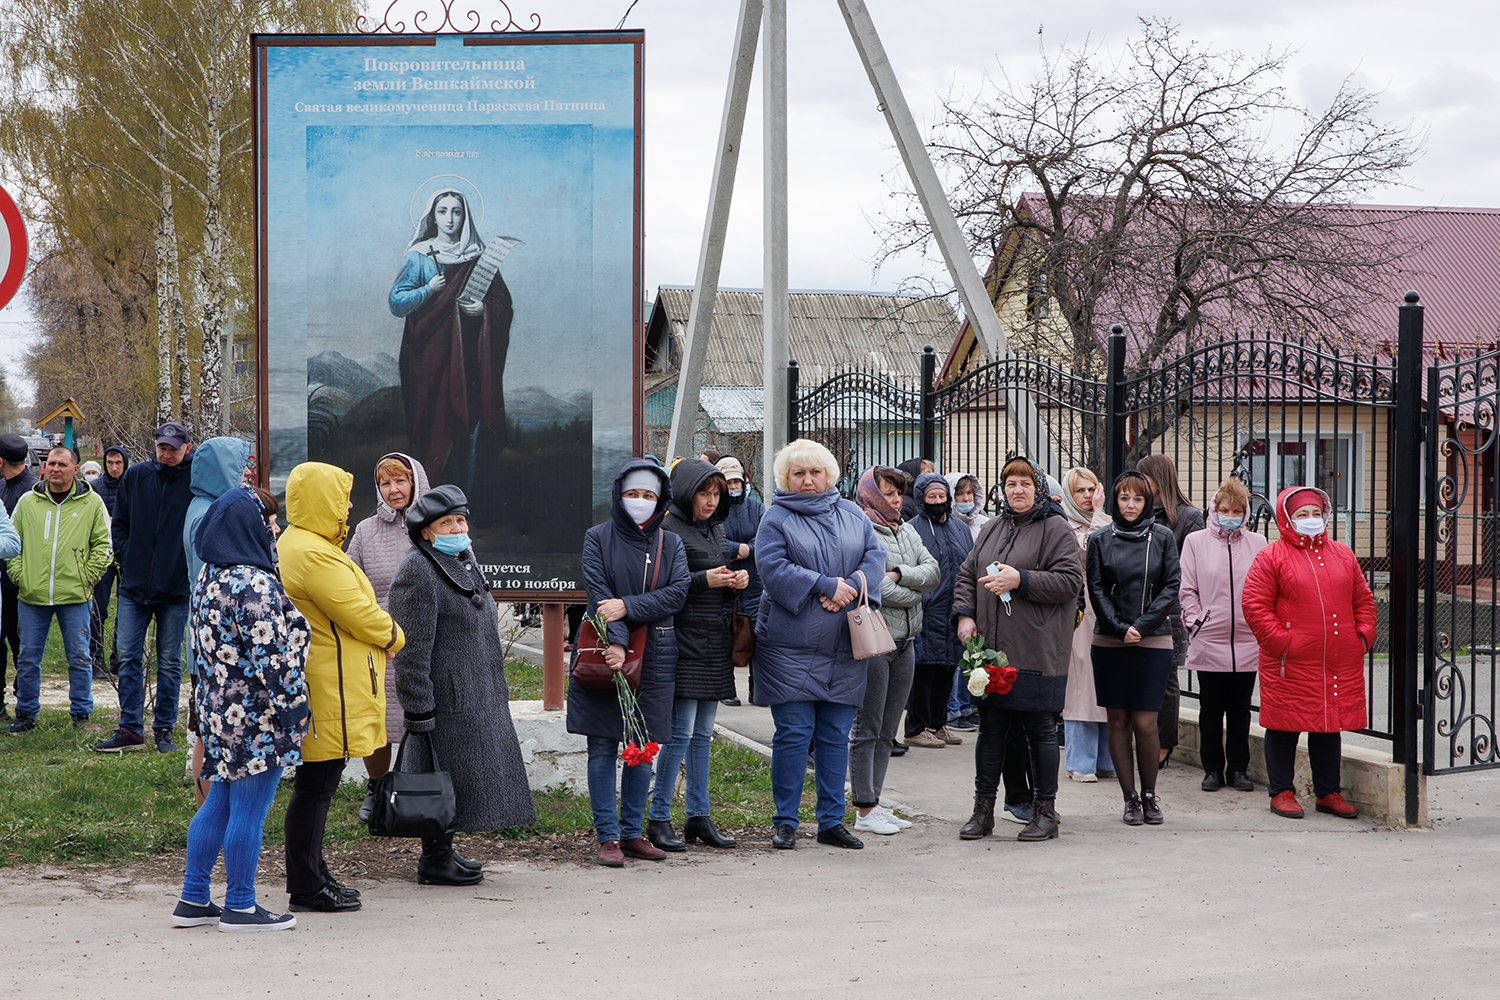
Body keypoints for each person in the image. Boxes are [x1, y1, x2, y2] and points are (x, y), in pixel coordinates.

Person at [174, 486, 309, 932]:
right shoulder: (254, 582)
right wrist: (295, 709)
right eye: (267, 520)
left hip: (217, 708)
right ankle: (241, 906)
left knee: (216, 805)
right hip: (256, 713)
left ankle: (194, 899)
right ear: (245, 526)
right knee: (249, 811)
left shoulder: (209, 576)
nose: (274, 528)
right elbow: (275, 659)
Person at [389, 485, 537, 884]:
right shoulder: (417, 570)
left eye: (461, 520)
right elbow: (411, 649)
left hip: (477, 692)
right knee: (442, 778)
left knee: (462, 780)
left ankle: (445, 852)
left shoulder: (462, 558)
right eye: (446, 522)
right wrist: (419, 708)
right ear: (426, 532)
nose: (457, 527)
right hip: (445, 700)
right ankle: (434, 859)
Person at [277, 462, 405, 912]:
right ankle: (307, 884)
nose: (349, 505)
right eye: (341, 496)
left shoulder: (303, 543)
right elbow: (354, 610)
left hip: (332, 675)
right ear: (320, 499)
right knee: (316, 786)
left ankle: (314, 873)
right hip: (330, 680)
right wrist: (394, 635)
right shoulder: (312, 552)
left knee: (316, 785)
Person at [754, 439, 886, 851]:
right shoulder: (775, 518)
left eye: (815, 472)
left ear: (829, 474)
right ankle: (786, 821)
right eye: (799, 473)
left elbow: (874, 557)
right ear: (786, 479)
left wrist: (851, 587)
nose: (808, 480)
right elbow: (772, 567)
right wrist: (825, 585)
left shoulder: (852, 513)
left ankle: (831, 821)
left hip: (845, 646)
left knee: (834, 735)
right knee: (794, 735)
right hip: (790, 646)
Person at [953, 457, 1082, 843]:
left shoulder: (1056, 528)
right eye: (1011, 484)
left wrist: (1020, 579)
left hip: (1039, 649)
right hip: (992, 651)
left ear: (1039, 487)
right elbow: (966, 573)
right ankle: (982, 812)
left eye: (1026, 483)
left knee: (1040, 729)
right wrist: (965, 615)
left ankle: (1045, 813)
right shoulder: (993, 527)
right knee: (991, 730)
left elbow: (1070, 581)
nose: (1018, 490)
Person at [569, 459, 690, 867]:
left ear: (661, 501)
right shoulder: (597, 538)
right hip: (607, 654)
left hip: (656, 657)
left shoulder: (670, 543)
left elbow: (677, 594)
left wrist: (629, 606)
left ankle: (632, 832)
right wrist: (617, 643)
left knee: (644, 746)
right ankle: (608, 837)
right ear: (619, 495)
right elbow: (599, 595)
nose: (640, 502)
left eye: (649, 496)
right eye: (633, 494)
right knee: (602, 747)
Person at [1242, 487, 1375, 820]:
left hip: (1337, 659)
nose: (1311, 520)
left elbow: (1363, 600)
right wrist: (1282, 643)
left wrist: (1362, 637)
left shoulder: (1342, 554)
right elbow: (1255, 605)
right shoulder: (1271, 556)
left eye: (1316, 513)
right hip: (1290, 661)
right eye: (1302, 515)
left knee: (1329, 725)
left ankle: (1328, 792)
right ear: (1287, 519)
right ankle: (1281, 791)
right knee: (1284, 725)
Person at [389, 188, 514, 514]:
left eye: (456, 211)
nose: (450, 219)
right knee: (430, 426)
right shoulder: (419, 255)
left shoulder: (478, 257)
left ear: (466, 216)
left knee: (465, 427)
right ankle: (427, 505)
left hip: (467, 361)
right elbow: (396, 302)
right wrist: (428, 289)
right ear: (432, 216)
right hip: (426, 359)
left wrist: (483, 310)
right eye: (443, 211)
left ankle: (467, 502)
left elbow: (503, 304)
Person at [646, 459, 744, 853]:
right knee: (679, 734)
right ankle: (658, 817)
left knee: (703, 734)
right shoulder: (668, 528)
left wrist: (737, 582)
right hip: (683, 640)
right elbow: (664, 587)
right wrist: (708, 579)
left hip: (713, 640)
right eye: (705, 492)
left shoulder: (716, 527)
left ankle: (699, 817)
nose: (711, 500)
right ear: (687, 491)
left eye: (717, 493)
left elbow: (717, 582)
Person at [1086, 470, 1181, 826]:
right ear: (1115, 499)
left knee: (1145, 721)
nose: (1130, 505)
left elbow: (1171, 585)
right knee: (1118, 719)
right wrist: (1119, 627)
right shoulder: (1099, 538)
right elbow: (1095, 588)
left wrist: (1140, 627)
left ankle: (1150, 795)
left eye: (1138, 499)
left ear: (1147, 502)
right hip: (1110, 639)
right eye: (1124, 498)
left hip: (1152, 640)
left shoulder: (1163, 536)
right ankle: (1129, 798)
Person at [848, 466, 939, 836]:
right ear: (871, 493)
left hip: (907, 643)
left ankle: (876, 803)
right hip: (875, 641)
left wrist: (900, 575)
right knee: (867, 727)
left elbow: (933, 571)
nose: (896, 500)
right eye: (888, 493)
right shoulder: (861, 529)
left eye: (899, 493)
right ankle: (863, 808)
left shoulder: (908, 527)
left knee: (888, 729)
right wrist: (913, 592)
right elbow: (875, 587)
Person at [95, 421, 195, 754]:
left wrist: (183, 568)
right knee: (127, 657)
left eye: (173, 449)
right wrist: (126, 557)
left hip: (175, 589)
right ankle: (130, 728)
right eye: (162, 447)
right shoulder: (136, 476)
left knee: (169, 661)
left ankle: (164, 728)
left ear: (187, 448)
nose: (166, 454)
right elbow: (119, 522)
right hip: (134, 586)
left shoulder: (195, 483)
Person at [345, 452, 430, 820]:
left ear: (416, 482)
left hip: (424, 643)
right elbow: (348, 584)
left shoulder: (436, 525)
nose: (393, 489)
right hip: (378, 646)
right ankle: (377, 789)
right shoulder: (365, 531)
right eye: (385, 483)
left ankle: (410, 790)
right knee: (377, 722)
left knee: (416, 720)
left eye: (400, 480)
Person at [6, 447, 106, 733]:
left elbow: (103, 545)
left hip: (74, 596)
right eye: (51, 463)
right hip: (32, 595)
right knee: (27, 656)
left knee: (79, 657)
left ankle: (81, 715)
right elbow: (14, 543)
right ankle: (25, 713)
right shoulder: (28, 502)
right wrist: (19, 575)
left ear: (75, 469)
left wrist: (87, 576)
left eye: (62, 464)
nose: (55, 469)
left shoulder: (92, 503)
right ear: (44, 467)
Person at [1179, 477, 1266, 793]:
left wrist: (1260, 624)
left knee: (1241, 709)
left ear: (1246, 513)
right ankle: (1213, 769)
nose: (1231, 514)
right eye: (1225, 509)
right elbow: (1187, 588)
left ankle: (1239, 770)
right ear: (1214, 510)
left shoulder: (1258, 543)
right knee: (1211, 709)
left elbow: (1266, 588)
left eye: (1238, 509)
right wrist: (1196, 622)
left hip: (1247, 639)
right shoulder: (1196, 542)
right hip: (1209, 639)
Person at [181, 437, 253, 800]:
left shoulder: (201, 506)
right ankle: (207, 807)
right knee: (208, 735)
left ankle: (210, 808)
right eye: (240, 468)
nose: (246, 476)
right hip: (215, 644)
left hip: (205, 640)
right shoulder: (209, 516)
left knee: (207, 732)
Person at [1135, 454, 1205, 769]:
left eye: (1144, 479)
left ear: (1158, 479)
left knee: (1165, 680)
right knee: (1139, 677)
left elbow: (1191, 570)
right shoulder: (1137, 512)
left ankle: (1163, 745)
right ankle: (1143, 739)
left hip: (1170, 609)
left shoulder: (1188, 518)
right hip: (1136, 607)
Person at [907, 472, 973, 748]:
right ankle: (916, 727)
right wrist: (925, 599)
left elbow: (970, 563)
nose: (937, 501)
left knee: (947, 668)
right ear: (922, 500)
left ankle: (938, 722)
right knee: (924, 670)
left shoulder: (960, 528)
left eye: (941, 496)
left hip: (954, 608)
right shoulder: (912, 528)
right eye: (931, 497)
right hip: (928, 609)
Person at [1059, 467, 1114, 782]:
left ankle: (1106, 759)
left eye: (1091, 489)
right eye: (1080, 490)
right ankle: (1080, 761)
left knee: (1106, 684)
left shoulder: (1105, 521)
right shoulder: (1065, 526)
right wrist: (1098, 515)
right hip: (1079, 613)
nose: (1087, 496)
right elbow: (1092, 548)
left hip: (1107, 612)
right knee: (1081, 687)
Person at [716, 455, 764, 706]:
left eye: (737, 481)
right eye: (728, 482)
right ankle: (727, 690)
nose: (734, 486)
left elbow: (766, 537)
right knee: (726, 639)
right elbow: (713, 540)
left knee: (758, 639)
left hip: (756, 586)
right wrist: (739, 549)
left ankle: (758, 690)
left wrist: (749, 549)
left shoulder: (757, 508)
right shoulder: (714, 508)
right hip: (726, 586)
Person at [0, 432, 37, 722]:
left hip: (19, 581)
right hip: (4, 579)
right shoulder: (3, 486)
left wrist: (19, 575)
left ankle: (24, 702)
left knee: (21, 644)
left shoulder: (32, 492)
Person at [88, 445, 128, 678]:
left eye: (118, 463)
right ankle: (95, 660)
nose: (114, 467)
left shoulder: (133, 485)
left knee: (126, 611)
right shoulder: (94, 488)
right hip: (101, 557)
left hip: (125, 557)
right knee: (98, 611)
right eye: (110, 462)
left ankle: (119, 659)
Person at [945, 471, 991, 542]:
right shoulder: (944, 526)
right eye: (959, 494)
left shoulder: (986, 522)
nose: (966, 498)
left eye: (969, 493)